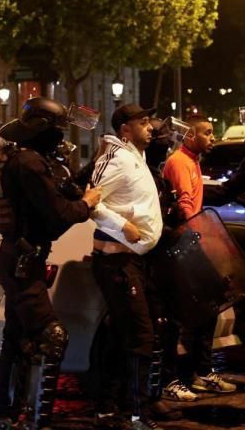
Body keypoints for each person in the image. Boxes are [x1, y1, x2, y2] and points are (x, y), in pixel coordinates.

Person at [0, 98, 102, 430]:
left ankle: (6, 415)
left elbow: (62, 191)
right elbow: (58, 216)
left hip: (23, 259)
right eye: (56, 130)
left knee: (16, 337)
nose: (60, 138)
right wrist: (86, 203)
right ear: (41, 131)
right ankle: (35, 420)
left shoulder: (30, 160)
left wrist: (92, 168)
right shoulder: (28, 164)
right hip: (22, 261)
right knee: (51, 336)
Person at [89, 103, 171, 429]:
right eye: (143, 122)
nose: (150, 127)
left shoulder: (137, 156)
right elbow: (92, 202)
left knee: (123, 335)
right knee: (140, 335)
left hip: (134, 260)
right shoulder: (117, 158)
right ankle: (138, 414)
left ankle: (108, 408)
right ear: (126, 128)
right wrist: (122, 226)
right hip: (117, 260)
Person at [160, 114, 237, 401]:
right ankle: (178, 377)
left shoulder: (192, 162)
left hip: (192, 241)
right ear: (190, 135)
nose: (213, 138)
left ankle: (201, 372)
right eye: (207, 132)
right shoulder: (180, 163)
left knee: (207, 309)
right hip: (185, 244)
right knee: (182, 315)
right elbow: (185, 207)